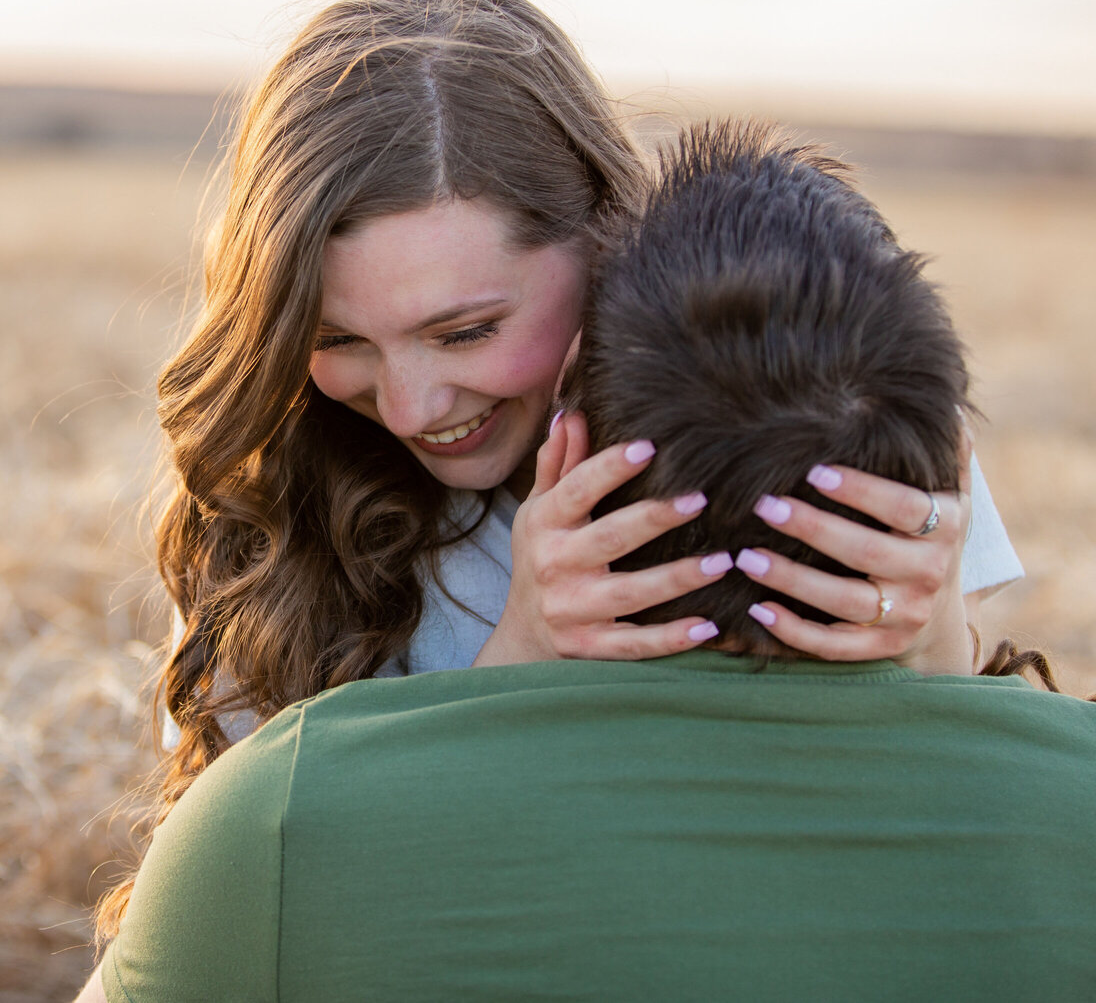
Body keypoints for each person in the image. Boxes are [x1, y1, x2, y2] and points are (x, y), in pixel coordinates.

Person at [80, 120, 1095, 1003]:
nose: (413, 408)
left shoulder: (277, 814)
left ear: (585, 353)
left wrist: (941, 650)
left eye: (468, 330)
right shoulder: (271, 533)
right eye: (340, 338)